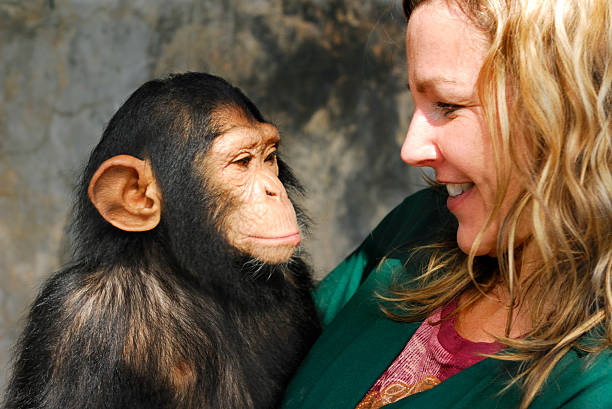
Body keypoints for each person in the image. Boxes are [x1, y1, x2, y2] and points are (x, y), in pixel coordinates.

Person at [280, 0, 612, 408]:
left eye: (448, 106)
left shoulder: (594, 381)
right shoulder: (417, 227)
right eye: (416, 103)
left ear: (568, 109)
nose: (410, 148)